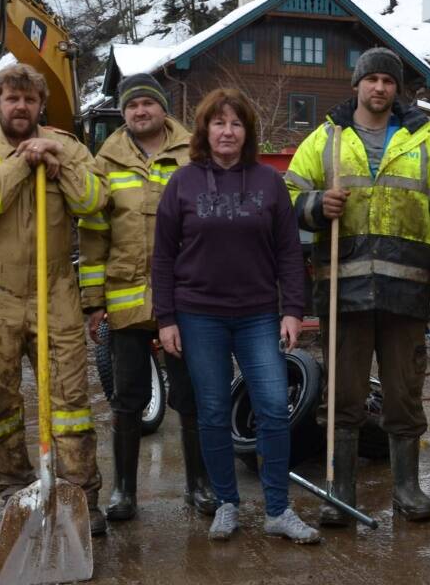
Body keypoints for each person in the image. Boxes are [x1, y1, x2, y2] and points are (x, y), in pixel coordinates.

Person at [284, 47, 430, 526]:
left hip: (406, 295)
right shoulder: (326, 139)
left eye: (388, 81)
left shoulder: (423, 143)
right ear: (356, 85)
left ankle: (407, 488)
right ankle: (340, 492)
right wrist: (316, 205)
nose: (380, 87)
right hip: (344, 294)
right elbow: (285, 196)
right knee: (343, 396)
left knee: (404, 393)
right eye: (372, 79)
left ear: (396, 89)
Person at [151, 88, 320, 544]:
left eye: (236, 124)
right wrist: (166, 318)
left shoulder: (268, 183)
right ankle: (226, 503)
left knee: (273, 408)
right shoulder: (182, 183)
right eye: (219, 123)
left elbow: (289, 252)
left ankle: (278, 509)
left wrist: (293, 310)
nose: (227, 131)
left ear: (248, 132)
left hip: (257, 315)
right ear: (205, 130)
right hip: (198, 315)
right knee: (211, 410)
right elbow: (162, 257)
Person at [0, 63, 109, 535]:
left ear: (41, 105)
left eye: (29, 99)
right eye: (12, 98)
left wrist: (58, 161)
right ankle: (16, 493)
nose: (21, 106)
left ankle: (81, 498)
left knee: (70, 402)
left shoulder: (69, 145)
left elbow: (94, 201)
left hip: (54, 289)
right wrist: (24, 160)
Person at [78, 73, 217, 523]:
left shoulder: (194, 153)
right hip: (125, 298)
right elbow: (94, 234)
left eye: (148, 103)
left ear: (163, 108)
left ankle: (199, 485)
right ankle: (123, 491)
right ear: (124, 113)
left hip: (186, 297)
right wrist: (93, 301)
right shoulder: (106, 160)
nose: (140, 111)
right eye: (132, 105)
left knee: (192, 393)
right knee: (127, 397)